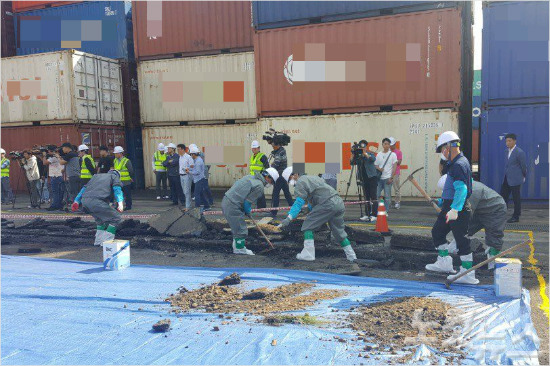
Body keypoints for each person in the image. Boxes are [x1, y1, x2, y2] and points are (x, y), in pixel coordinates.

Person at [425, 131, 477, 285]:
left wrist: (454, 209)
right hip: (450, 205)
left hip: (458, 208)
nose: (442, 153)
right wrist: (443, 201)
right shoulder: (454, 163)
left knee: (462, 240)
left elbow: (462, 190)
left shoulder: (459, 164)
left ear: (450, 146)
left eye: (442, 149)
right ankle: (444, 263)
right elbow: (452, 187)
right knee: (437, 232)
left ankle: (467, 273)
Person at [277, 167, 357, 262]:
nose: (290, 182)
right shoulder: (313, 178)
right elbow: (318, 196)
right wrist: (308, 209)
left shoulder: (300, 182)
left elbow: (298, 202)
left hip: (327, 204)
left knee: (308, 225)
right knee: (339, 232)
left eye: (289, 180)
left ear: (294, 175)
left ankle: (308, 254)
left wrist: (289, 218)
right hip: (338, 203)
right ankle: (352, 256)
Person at [438, 175, 505, 270]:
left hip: (495, 209)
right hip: (481, 209)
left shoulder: (472, 191)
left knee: (494, 237)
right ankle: (456, 246)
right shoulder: (463, 187)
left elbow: (464, 211)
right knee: (466, 229)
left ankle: (493, 265)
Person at [222, 168, 279, 255]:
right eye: (271, 182)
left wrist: (245, 209)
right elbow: (247, 203)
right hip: (233, 205)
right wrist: (248, 211)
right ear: (268, 177)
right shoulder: (259, 186)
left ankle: (236, 246)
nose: (270, 184)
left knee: (236, 227)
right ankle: (239, 249)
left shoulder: (250, 177)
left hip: (227, 200)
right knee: (240, 228)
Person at [72, 170, 124, 246]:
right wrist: (120, 203)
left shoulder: (95, 177)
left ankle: (98, 242)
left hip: (85, 202)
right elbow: (117, 190)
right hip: (97, 202)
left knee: (100, 220)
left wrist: (76, 201)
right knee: (115, 219)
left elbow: (83, 189)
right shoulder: (114, 177)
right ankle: (107, 243)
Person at [500, 133, 527, 223]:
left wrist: (523, 176)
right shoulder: (506, 151)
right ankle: (502, 214)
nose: (507, 143)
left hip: (515, 179)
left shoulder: (519, 152)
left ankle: (516, 216)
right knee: (503, 196)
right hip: (506, 178)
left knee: (516, 198)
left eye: (509, 141)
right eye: (506, 141)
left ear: (514, 141)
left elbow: (523, 166)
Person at [354, 140, 379, 222]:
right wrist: (353, 154)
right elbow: (352, 163)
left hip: (372, 177)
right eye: (361, 147)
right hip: (363, 179)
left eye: (364, 147)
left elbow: (373, 159)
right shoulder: (359, 156)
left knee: (373, 196)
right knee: (366, 197)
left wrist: (365, 154)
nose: (362, 148)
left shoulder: (369, 153)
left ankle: (374, 214)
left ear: (366, 147)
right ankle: (367, 214)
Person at [269, 142, 293, 217]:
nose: (272, 147)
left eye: (273, 146)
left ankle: (274, 212)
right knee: (287, 193)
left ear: (278, 144)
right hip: (283, 175)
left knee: (275, 194)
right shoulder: (281, 150)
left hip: (280, 176)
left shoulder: (280, 152)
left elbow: (276, 164)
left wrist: (270, 168)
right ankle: (294, 208)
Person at [374, 138, 397, 211]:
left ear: (390, 145)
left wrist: (391, 178)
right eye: (385, 144)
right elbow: (376, 165)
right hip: (379, 178)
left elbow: (394, 167)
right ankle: (378, 210)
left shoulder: (393, 154)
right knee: (376, 195)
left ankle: (386, 211)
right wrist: (379, 169)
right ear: (382, 145)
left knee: (387, 196)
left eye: (388, 144)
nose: (387, 145)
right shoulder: (379, 154)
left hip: (387, 178)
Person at [188, 145, 210, 213]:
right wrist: (189, 169)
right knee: (201, 193)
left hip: (199, 179)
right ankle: (207, 206)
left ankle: (197, 208)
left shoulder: (198, 161)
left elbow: (197, 172)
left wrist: (189, 172)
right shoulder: (198, 160)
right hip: (200, 179)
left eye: (191, 154)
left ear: (194, 154)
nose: (191, 155)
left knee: (196, 194)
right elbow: (196, 169)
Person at [249, 140, 269, 208]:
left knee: (260, 192)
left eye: (255, 148)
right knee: (257, 192)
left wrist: (265, 177)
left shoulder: (262, 156)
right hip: (253, 178)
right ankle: (260, 207)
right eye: (253, 148)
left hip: (260, 177)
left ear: (259, 148)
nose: (254, 150)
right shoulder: (252, 157)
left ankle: (262, 207)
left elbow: (267, 168)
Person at [113, 146, 134, 210]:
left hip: (126, 181)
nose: (115, 154)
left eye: (116, 153)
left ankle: (128, 206)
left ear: (120, 153)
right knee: (118, 194)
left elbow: (131, 170)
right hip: (118, 181)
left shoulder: (126, 161)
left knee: (127, 195)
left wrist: (130, 177)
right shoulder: (115, 161)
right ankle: (118, 206)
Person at [178, 144, 194, 209]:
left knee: (187, 191)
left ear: (183, 149)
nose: (178, 151)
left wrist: (187, 169)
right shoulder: (180, 157)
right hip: (181, 176)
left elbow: (192, 166)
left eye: (179, 149)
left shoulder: (188, 157)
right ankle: (188, 205)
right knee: (184, 191)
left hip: (187, 175)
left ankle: (188, 206)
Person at [389, 137, 403, 209]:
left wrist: (394, 160)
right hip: (387, 173)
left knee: (396, 188)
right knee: (387, 188)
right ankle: (388, 202)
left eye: (391, 145)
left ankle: (397, 202)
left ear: (394, 144)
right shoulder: (387, 152)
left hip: (395, 173)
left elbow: (400, 162)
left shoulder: (398, 152)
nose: (390, 146)